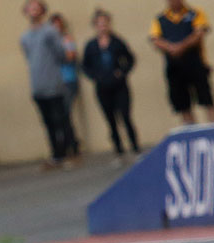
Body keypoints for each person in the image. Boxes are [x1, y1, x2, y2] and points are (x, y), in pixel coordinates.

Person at [21, 1, 76, 169]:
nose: (33, 11)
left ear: (42, 11)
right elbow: (29, 58)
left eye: (36, 8)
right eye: (30, 8)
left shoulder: (50, 32)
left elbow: (61, 54)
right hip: (38, 86)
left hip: (54, 84)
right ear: (26, 12)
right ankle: (56, 155)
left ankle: (69, 152)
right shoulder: (24, 37)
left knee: (61, 119)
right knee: (48, 123)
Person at [82, 9, 140, 161]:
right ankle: (119, 150)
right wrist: (96, 76)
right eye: (99, 24)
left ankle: (135, 147)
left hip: (119, 86)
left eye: (105, 23)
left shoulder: (117, 42)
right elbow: (85, 66)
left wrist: (122, 72)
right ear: (95, 26)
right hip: (102, 87)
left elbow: (130, 59)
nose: (103, 27)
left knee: (125, 116)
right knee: (111, 119)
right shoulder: (91, 46)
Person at [150, 0, 214, 124]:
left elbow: (199, 33)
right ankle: (190, 130)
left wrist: (181, 46)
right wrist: (170, 48)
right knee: (182, 103)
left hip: (195, 64)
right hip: (174, 68)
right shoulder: (160, 19)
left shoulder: (195, 13)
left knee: (207, 99)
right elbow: (155, 39)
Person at [49, 13, 81, 156]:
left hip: (68, 81)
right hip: (55, 83)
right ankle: (68, 144)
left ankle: (72, 145)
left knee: (65, 113)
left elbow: (70, 56)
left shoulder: (66, 39)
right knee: (58, 116)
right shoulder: (49, 42)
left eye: (59, 25)